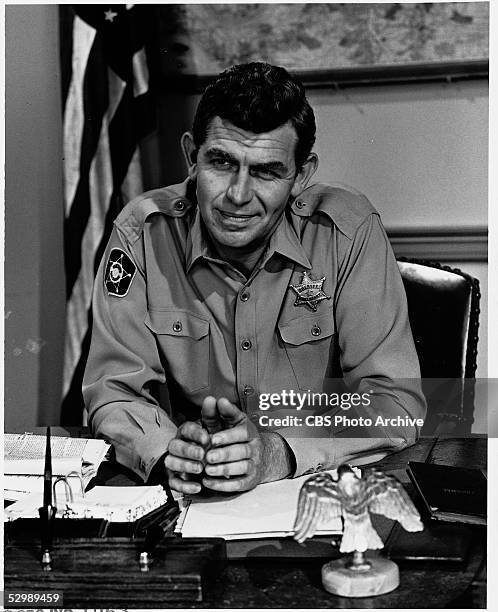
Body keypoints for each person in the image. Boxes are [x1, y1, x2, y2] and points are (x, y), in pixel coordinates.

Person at [83, 62, 426, 495]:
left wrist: (279, 453)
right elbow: (113, 391)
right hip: (199, 493)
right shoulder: (143, 234)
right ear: (192, 156)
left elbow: (394, 404)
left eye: (266, 171)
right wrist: (169, 452)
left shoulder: (345, 230)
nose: (238, 195)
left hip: (318, 488)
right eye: (222, 163)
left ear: (300, 175)